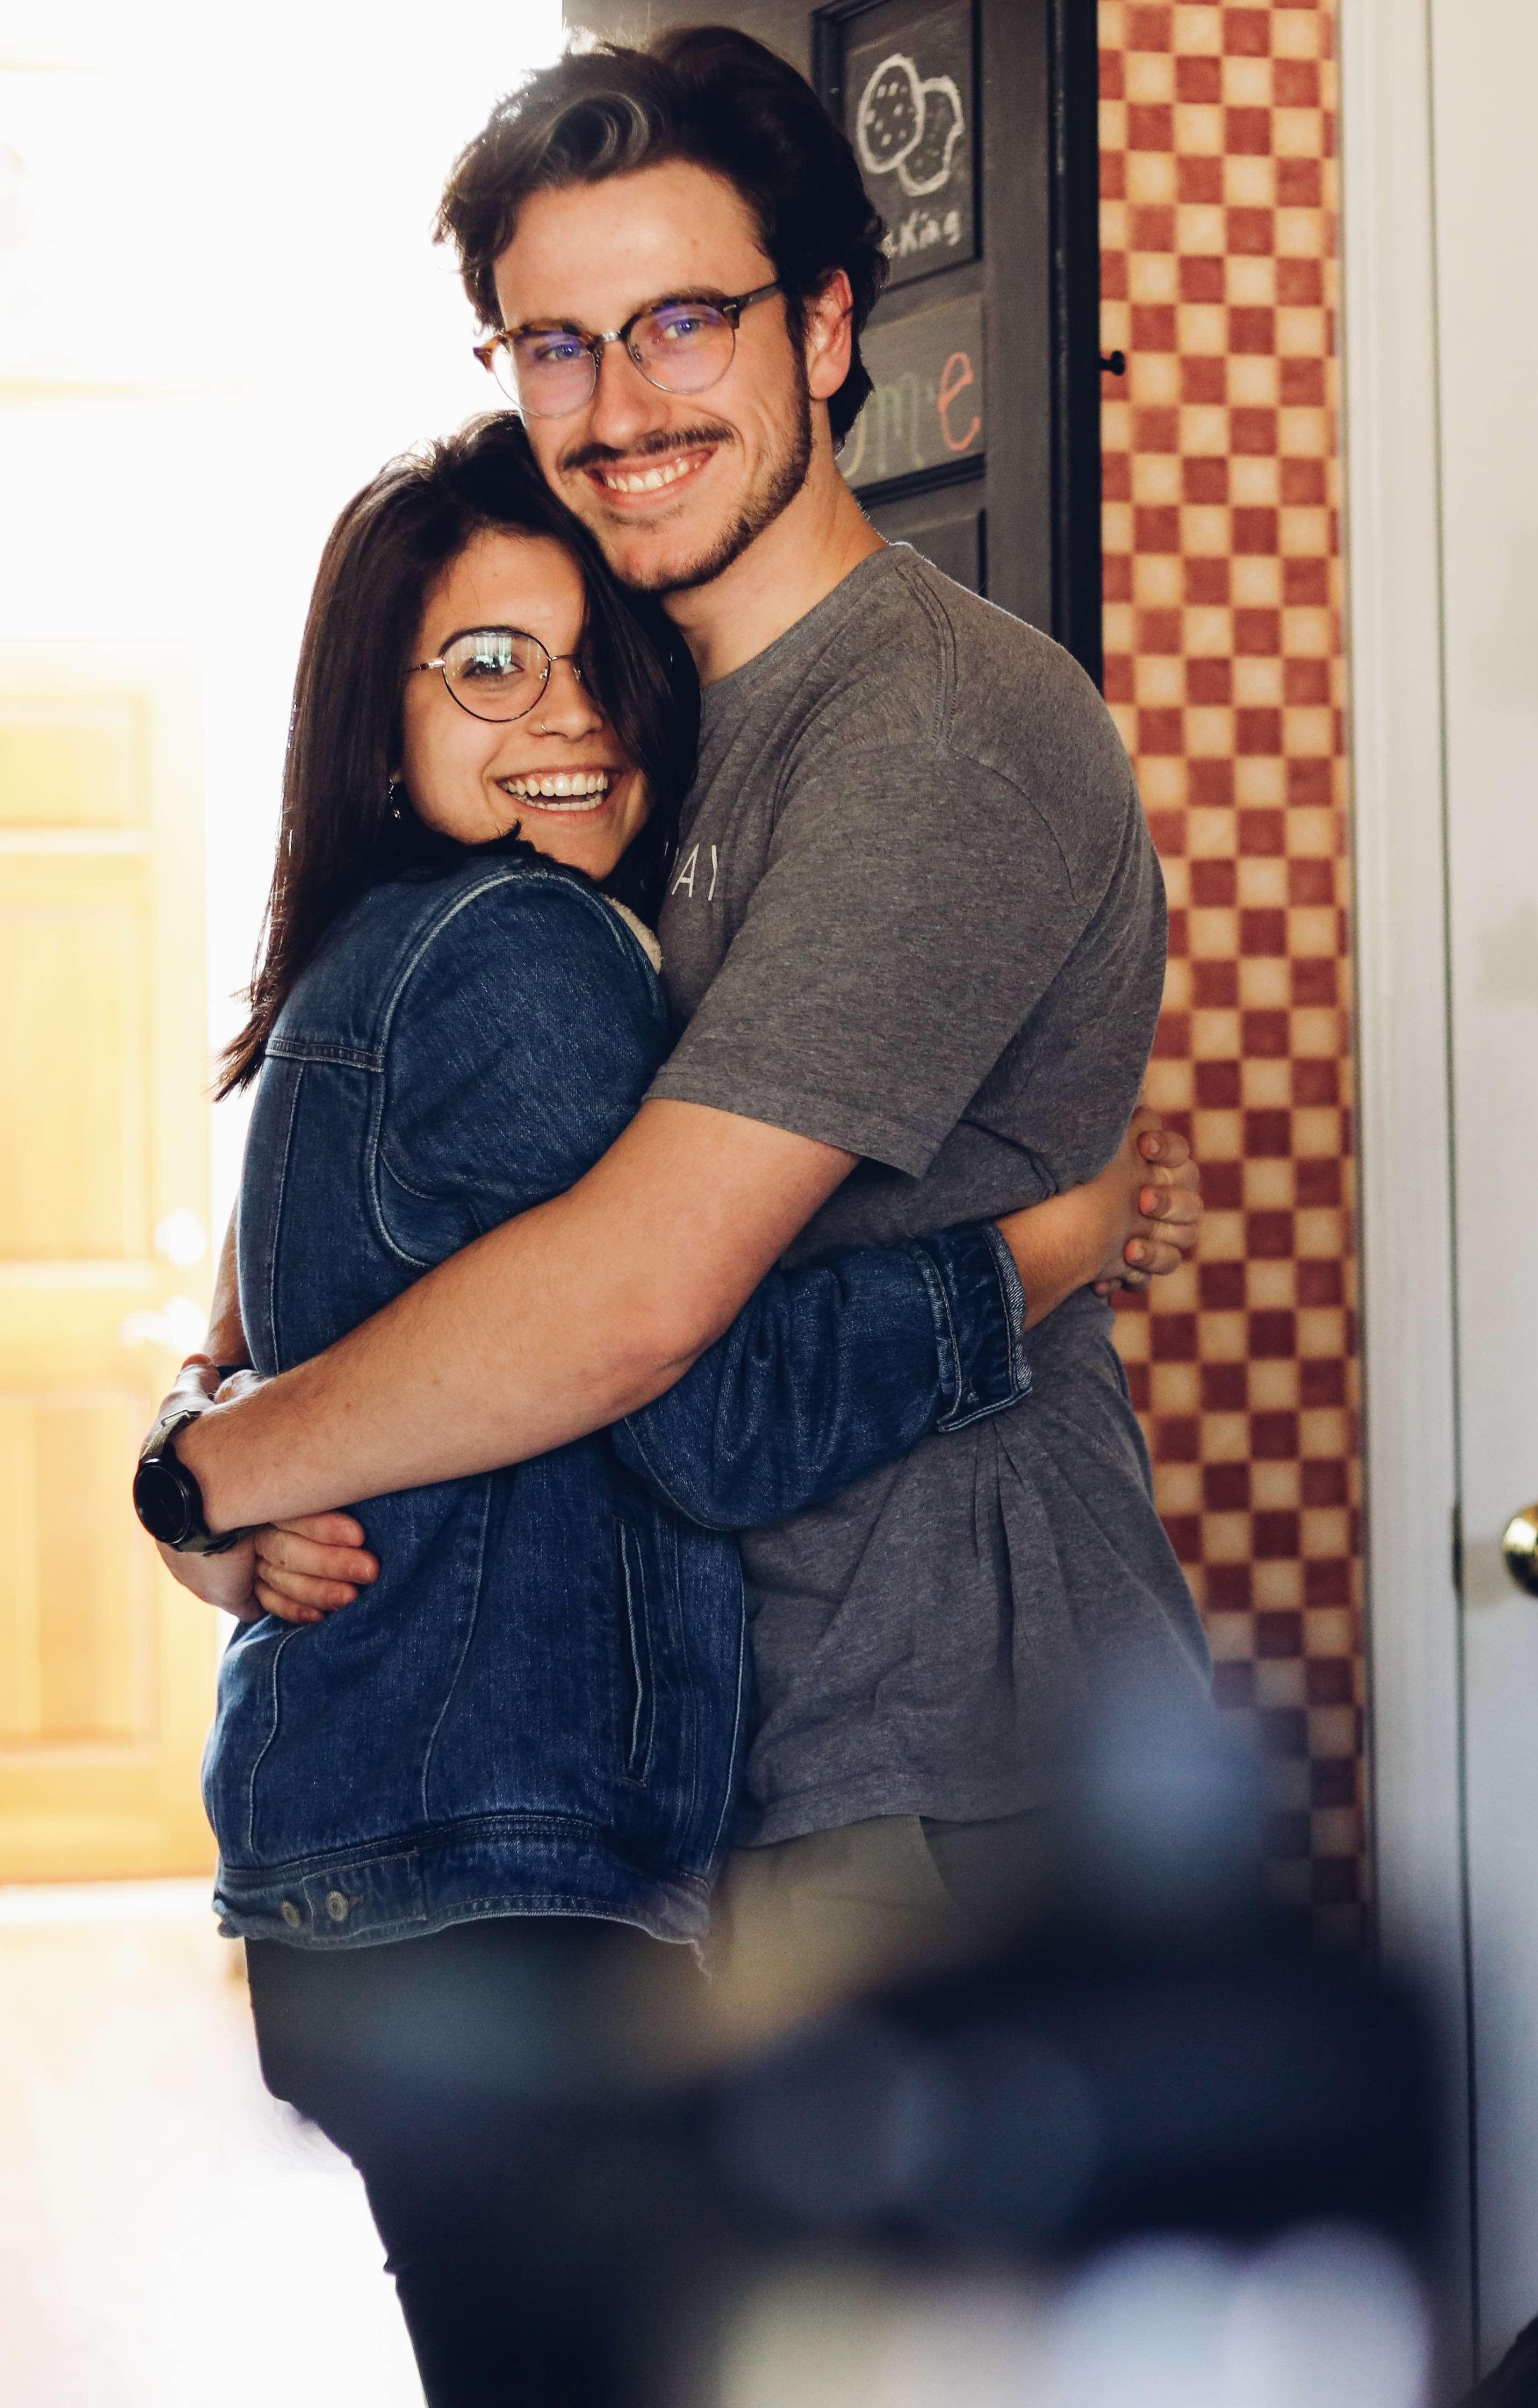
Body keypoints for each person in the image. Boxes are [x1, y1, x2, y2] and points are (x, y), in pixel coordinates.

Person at [156, 25, 1206, 2036]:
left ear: (820, 329)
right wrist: (208, 1442)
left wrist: (211, 1485)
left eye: (680, 325)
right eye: (553, 343)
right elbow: (326, 1254)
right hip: (685, 1774)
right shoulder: (603, 735)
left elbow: (641, 1304)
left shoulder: (936, 729)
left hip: (935, 1762)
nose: (617, 404)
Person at [141, 413, 1192, 2406]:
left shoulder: (380, 969)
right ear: (380, 725)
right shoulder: (529, 953)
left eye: (595, 657)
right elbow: (706, 1402)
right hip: (496, 1884)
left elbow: (288, 1351)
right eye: (483, 664)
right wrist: (1039, 1260)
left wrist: (197, 1460)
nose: (563, 715)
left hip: (403, 1876)